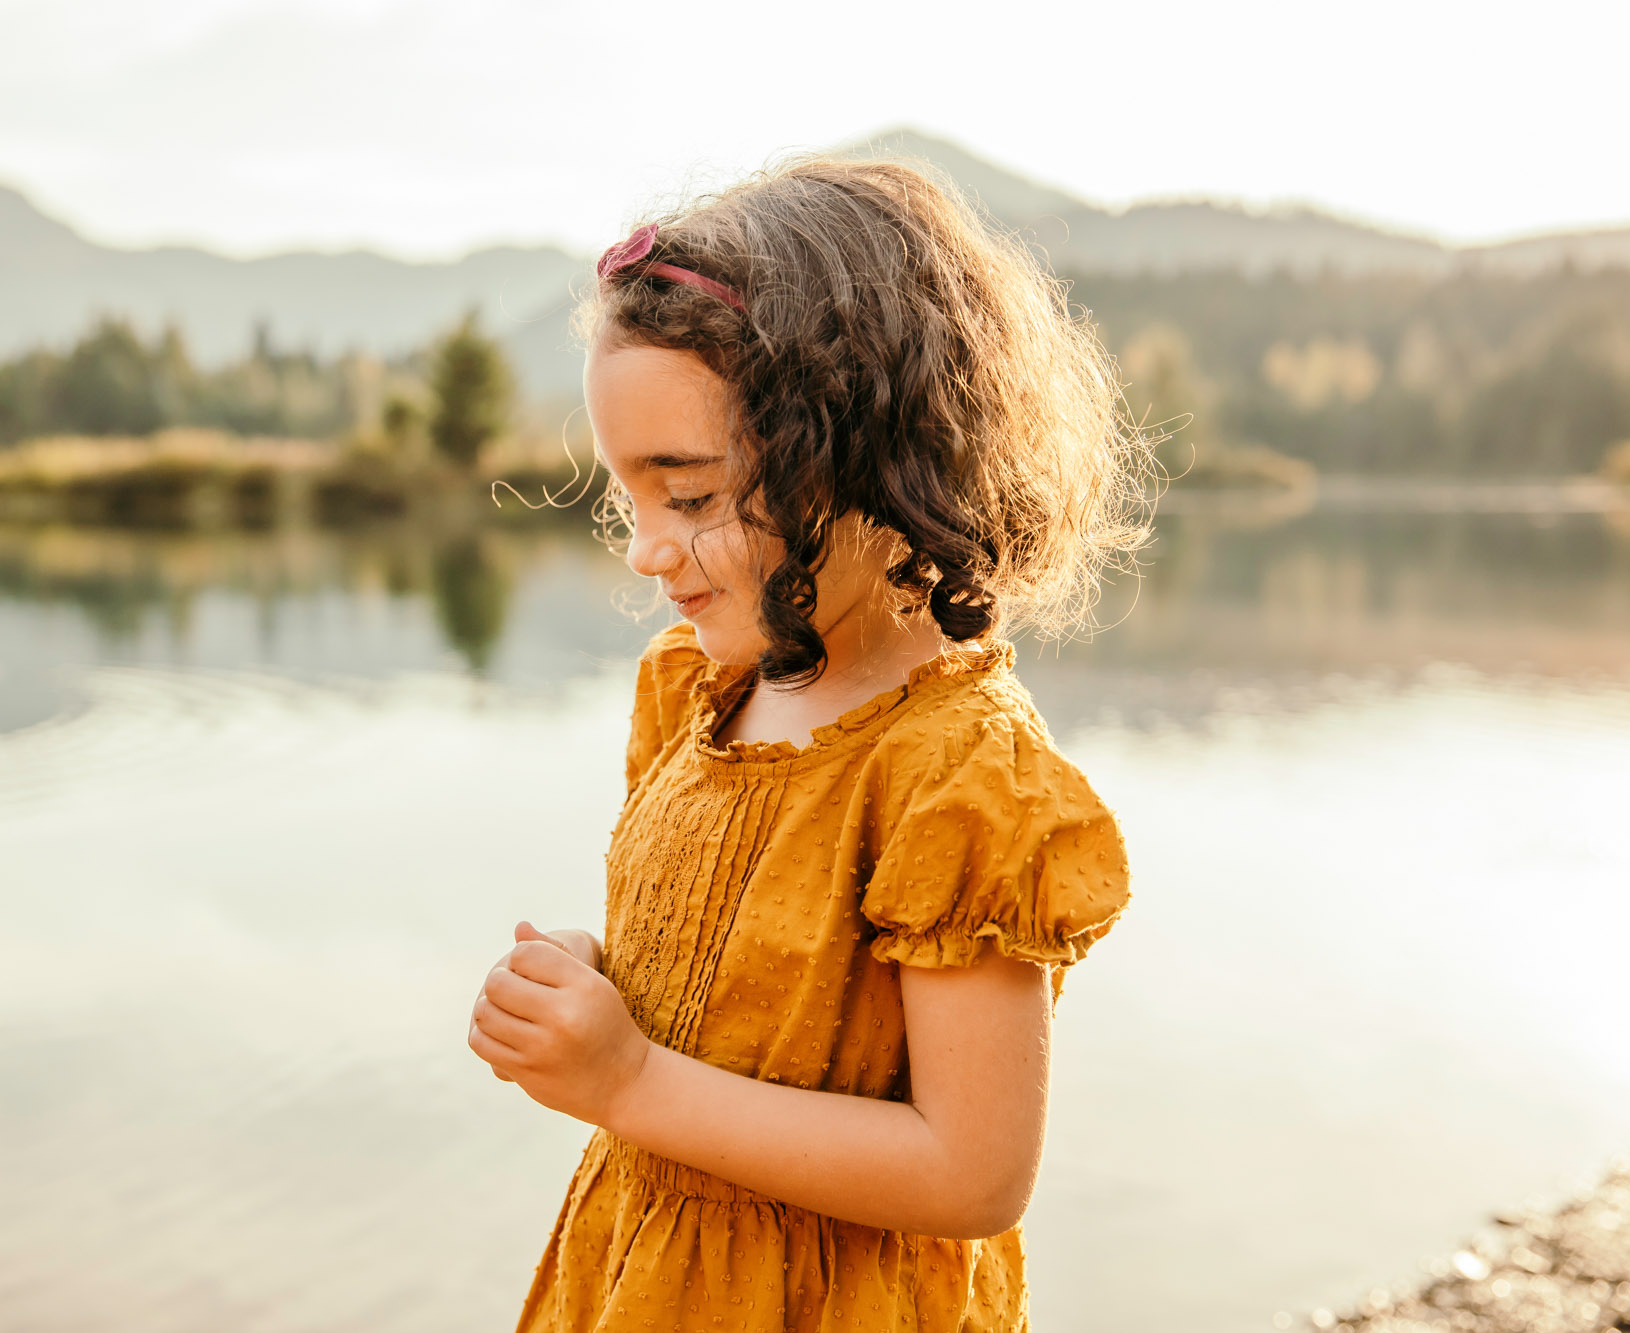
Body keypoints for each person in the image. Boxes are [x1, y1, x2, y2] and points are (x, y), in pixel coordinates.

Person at [466, 154, 1151, 1332]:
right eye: (630, 499)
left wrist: (628, 1078)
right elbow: (745, 985)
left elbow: (970, 1173)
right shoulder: (693, 696)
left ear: (868, 456)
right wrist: (601, 986)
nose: (643, 550)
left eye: (688, 498)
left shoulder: (956, 779)